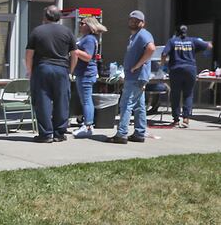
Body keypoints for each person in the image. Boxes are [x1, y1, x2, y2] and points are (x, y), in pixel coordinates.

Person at [25, 5, 78, 143]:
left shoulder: (37, 31)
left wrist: (30, 70)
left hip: (42, 68)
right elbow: (74, 54)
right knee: (62, 101)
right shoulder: (67, 32)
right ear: (59, 17)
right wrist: (70, 70)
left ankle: (46, 134)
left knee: (42, 101)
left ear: (45, 16)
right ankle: (59, 133)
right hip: (61, 69)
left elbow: (29, 54)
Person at [107, 10, 156, 144]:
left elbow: (151, 49)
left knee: (126, 104)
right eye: (131, 20)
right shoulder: (134, 37)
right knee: (139, 106)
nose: (133, 22)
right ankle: (139, 133)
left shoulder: (143, 34)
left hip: (136, 76)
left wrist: (137, 65)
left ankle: (121, 134)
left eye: (137, 20)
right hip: (136, 76)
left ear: (143, 23)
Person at [162, 25, 213, 128]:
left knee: (175, 95)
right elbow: (209, 46)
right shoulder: (193, 41)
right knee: (188, 94)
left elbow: (164, 54)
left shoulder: (172, 41)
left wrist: (162, 64)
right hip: (190, 69)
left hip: (176, 70)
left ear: (176, 32)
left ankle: (176, 120)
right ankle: (186, 118)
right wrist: (196, 50)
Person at [72, 17, 106, 138]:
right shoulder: (86, 39)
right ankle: (87, 125)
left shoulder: (89, 39)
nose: (80, 25)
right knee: (85, 100)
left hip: (86, 73)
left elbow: (87, 56)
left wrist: (75, 50)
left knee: (86, 100)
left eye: (82, 23)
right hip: (83, 73)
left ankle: (87, 126)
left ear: (89, 26)